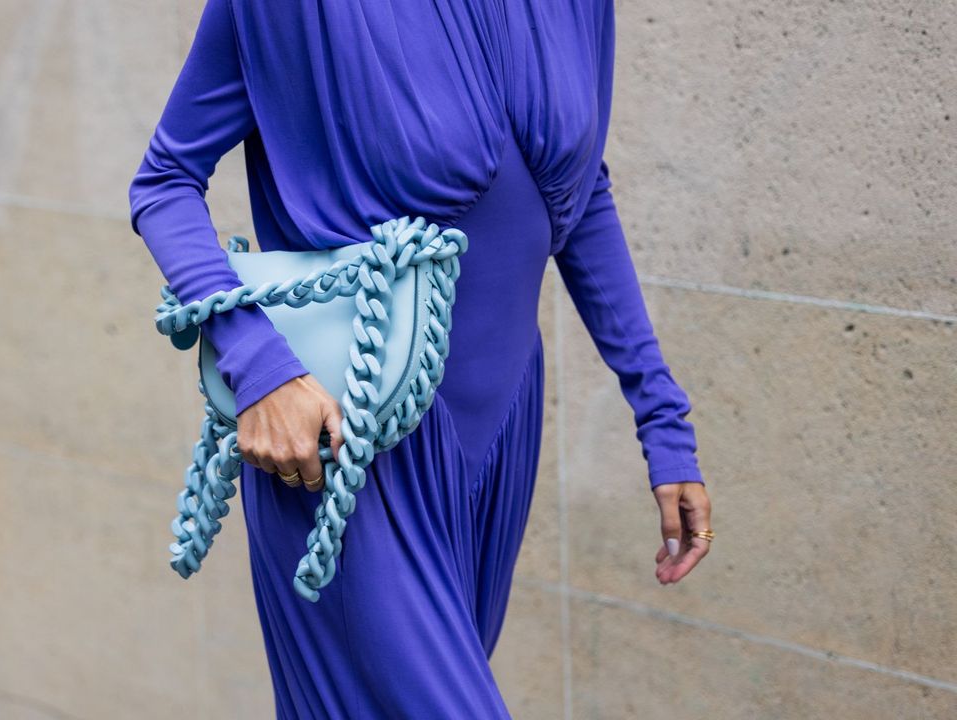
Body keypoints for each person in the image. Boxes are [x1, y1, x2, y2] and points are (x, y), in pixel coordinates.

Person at [128, 0, 714, 716]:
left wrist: (663, 422)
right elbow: (164, 183)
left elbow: (579, 191)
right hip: (352, 447)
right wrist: (258, 368)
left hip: (498, 438)